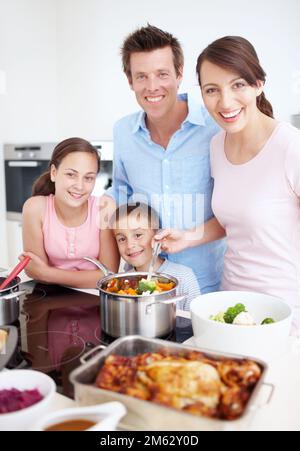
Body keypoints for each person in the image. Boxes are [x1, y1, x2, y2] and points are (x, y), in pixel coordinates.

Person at [155, 36, 300, 332]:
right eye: (212, 90)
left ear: (258, 83)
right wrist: (187, 237)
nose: (225, 102)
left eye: (238, 85)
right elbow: (233, 220)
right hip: (229, 305)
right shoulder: (217, 145)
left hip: (283, 314)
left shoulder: (290, 148)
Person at [103, 24, 225, 295]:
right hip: (145, 284)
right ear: (130, 80)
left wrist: (189, 238)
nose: (152, 86)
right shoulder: (122, 131)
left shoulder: (214, 127)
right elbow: (122, 191)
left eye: (162, 74)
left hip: (208, 285)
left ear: (180, 74)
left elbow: (232, 211)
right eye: (142, 76)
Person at [21, 137, 119, 288]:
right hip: (50, 296)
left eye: (88, 178)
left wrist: (47, 273)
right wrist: (42, 273)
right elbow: (36, 272)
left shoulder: (105, 207)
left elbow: (109, 276)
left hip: (94, 298)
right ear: (54, 173)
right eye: (71, 175)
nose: (79, 186)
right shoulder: (34, 208)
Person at [111, 202, 200, 310]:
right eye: (122, 239)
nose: (130, 245)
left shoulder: (184, 277)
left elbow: (195, 321)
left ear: (158, 236)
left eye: (138, 235)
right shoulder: (123, 283)